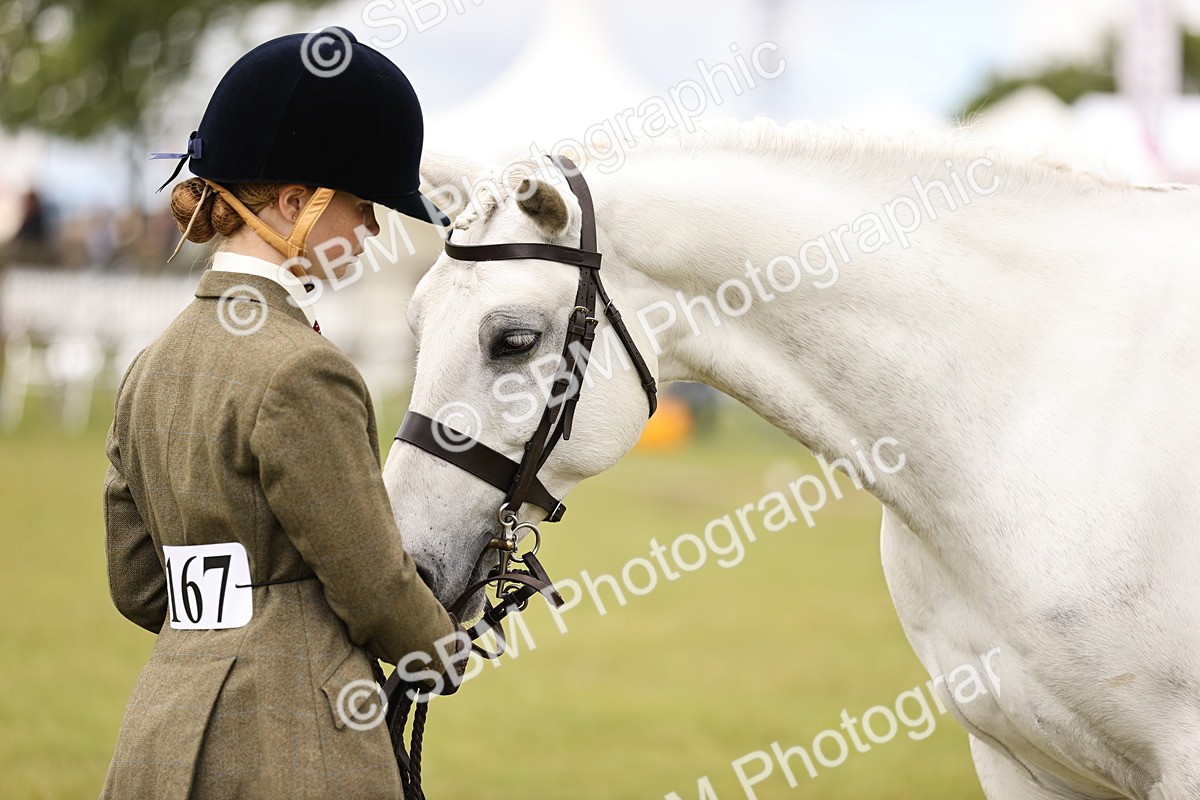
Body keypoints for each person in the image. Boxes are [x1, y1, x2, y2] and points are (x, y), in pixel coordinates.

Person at [101, 28, 464, 799]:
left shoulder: (148, 367)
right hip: (294, 746)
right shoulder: (304, 368)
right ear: (296, 203)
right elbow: (373, 588)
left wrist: (222, 636)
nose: (369, 232)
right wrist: (444, 647)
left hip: (159, 738)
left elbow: (137, 584)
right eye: (364, 209)